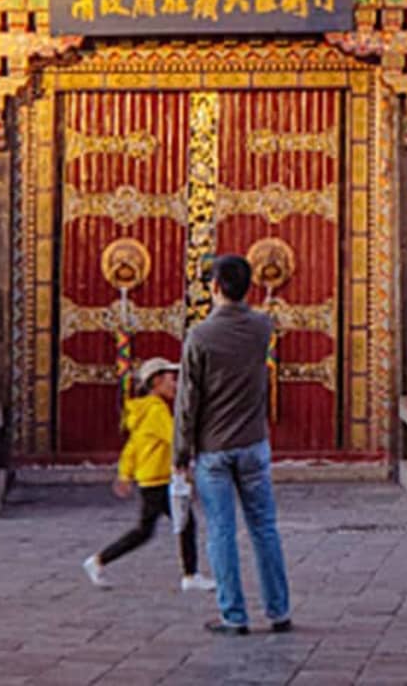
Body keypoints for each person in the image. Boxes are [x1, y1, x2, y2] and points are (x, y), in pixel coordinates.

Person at [173, 252, 290, 637]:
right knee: (265, 529)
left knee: (222, 532)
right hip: (254, 442)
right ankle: (278, 610)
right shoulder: (262, 327)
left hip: (214, 449)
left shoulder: (200, 336)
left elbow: (188, 400)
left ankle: (234, 615)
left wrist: (181, 454)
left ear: (215, 287)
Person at [82, 356, 214, 592]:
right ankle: (100, 560)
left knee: (177, 524)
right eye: (171, 380)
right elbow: (175, 438)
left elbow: (133, 446)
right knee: (161, 527)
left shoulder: (143, 409)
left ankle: (190, 574)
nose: (175, 385)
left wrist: (125, 474)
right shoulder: (155, 410)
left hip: (150, 477)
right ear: (156, 382)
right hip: (158, 479)